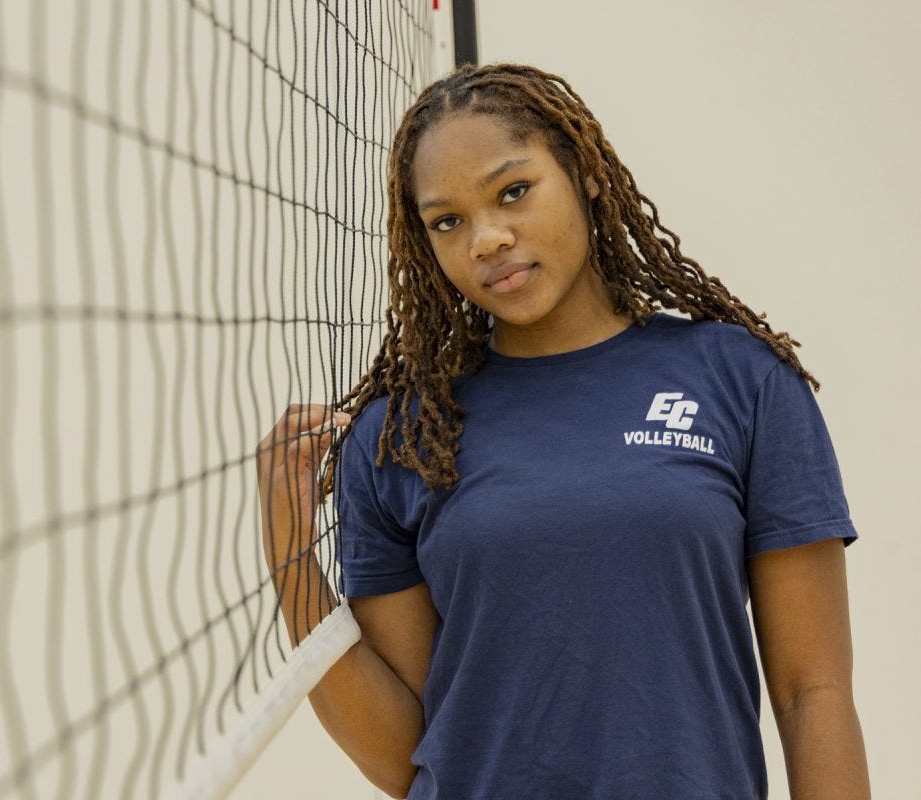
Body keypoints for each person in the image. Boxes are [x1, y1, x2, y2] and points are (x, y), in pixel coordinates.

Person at [255, 63, 870, 799]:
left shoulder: (742, 380)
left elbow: (814, 695)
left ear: (585, 175)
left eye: (513, 191)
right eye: (446, 221)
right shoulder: (405, 434)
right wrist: (290, 557)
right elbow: (409, 755)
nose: (486, 239)